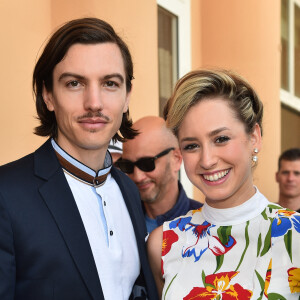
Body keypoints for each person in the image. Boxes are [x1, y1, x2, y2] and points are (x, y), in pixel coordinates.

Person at [0, 18, 158, 300]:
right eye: (74, 83)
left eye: (110, 83)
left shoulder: (129, 190)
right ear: (48, 95)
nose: (94, 102)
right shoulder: (6, 194)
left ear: (126, 97)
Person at [147, 70, 300, 299]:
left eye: (221, 139)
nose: (207, 160)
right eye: (191, 146)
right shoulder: (163, 243)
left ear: (254, 137)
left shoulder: (295, 236)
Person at [118, 116, 202, 233]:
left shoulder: (206, 225)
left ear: (176, 159)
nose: (138, 176)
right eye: (127, 166)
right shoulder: (118, 223)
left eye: (147, 164)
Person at [276, 148, 300, 212]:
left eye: (297, 173)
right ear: (277, 176)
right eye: (285, 172)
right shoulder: (265, 215)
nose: (290, 178)